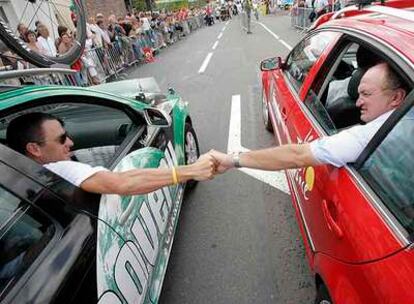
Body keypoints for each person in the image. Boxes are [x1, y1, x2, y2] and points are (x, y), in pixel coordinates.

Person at [209, 62, 407, 172]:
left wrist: (231, 159)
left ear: (397, 97)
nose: (357, 103)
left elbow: (297, 156)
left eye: (366, 94)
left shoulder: (367, 136)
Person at [6, 113, 216, 195]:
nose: (70, 142)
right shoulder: (57, 168)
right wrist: (191, 170)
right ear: (34, 149)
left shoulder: (15, 178)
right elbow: (121, 183)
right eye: (61, 139)